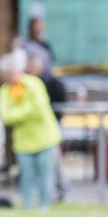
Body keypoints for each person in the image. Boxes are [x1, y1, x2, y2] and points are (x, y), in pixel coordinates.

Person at [0, 54, 62, 211]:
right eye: (7, 74)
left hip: (44, 137)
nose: (10, 76)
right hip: (23, 141)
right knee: (26, 176)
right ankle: (28, 206)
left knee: (46, 174)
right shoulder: (5, 91)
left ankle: (45, 206)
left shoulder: (34, 84)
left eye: (12, 72)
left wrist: (16, 113)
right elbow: (5, 116)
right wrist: (24, 112)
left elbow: (38, 109)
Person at [26, 52, 70, 201]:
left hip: (50, 127)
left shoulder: (52, 82)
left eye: (34, 67)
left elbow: (61, 103)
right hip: (33, 129)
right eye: (30, 68)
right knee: (41, 163)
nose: (32, 70)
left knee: (53, 161)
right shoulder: (25, 84)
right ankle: (48, 191)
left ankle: (62, 190)